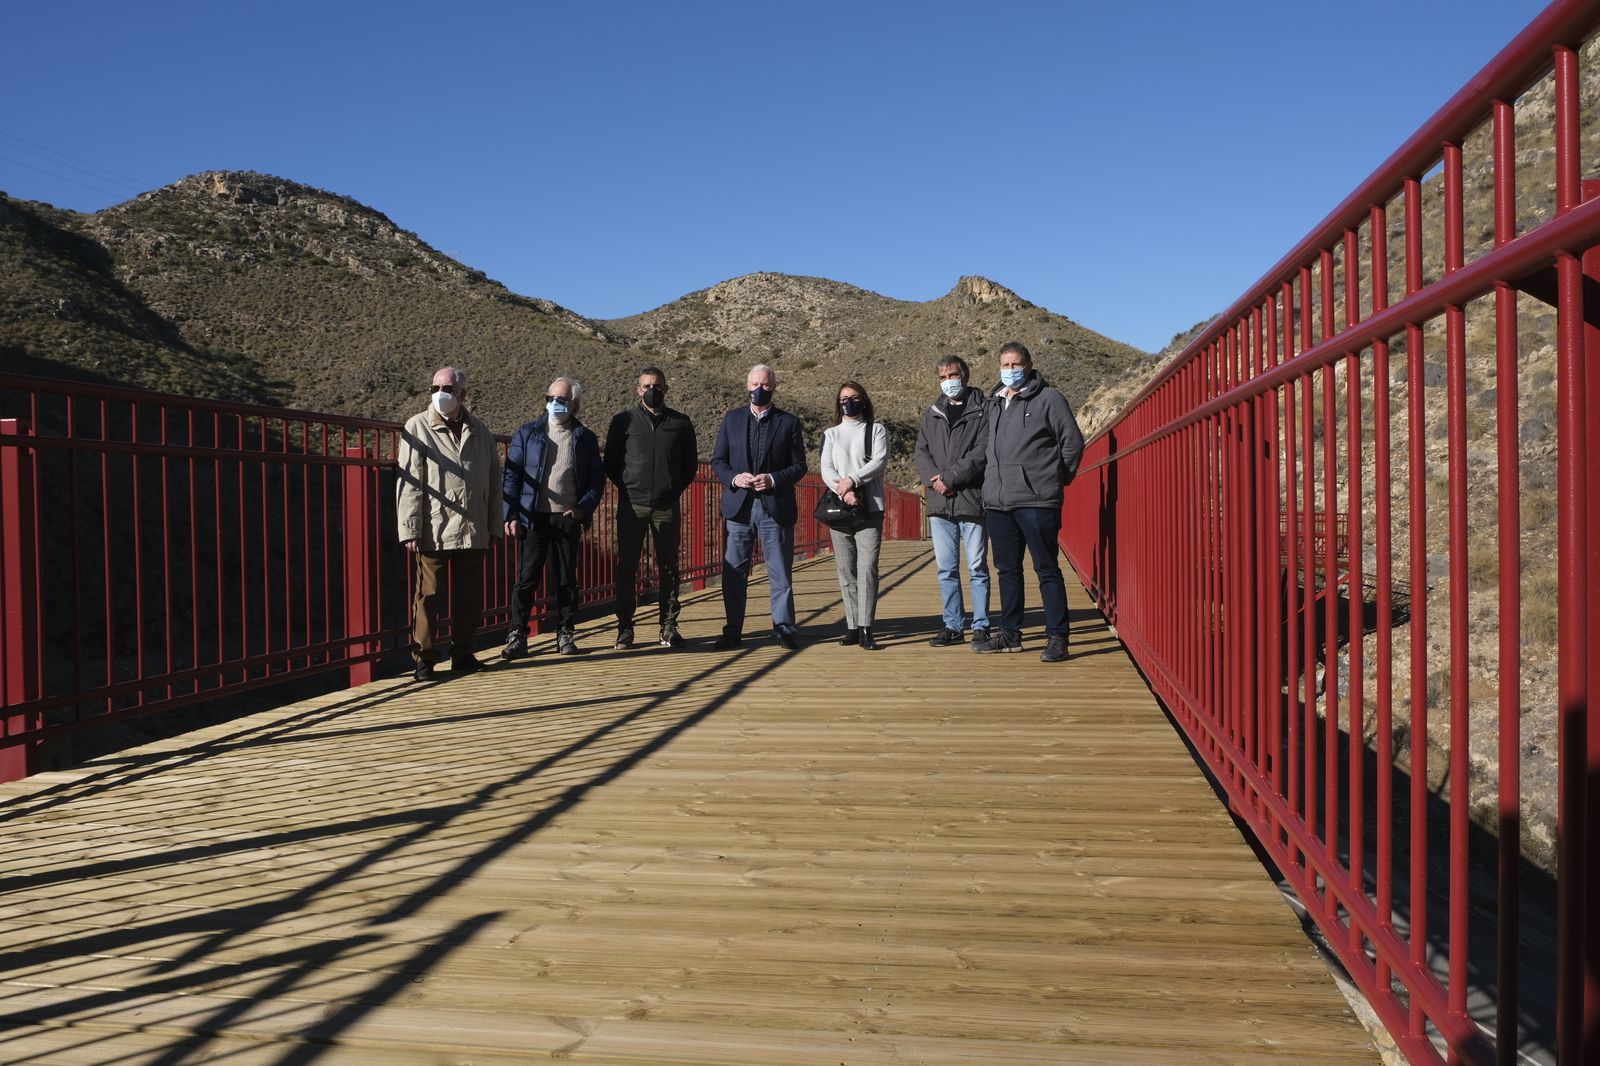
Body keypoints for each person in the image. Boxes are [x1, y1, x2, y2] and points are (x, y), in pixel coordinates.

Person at [975, 341, 1084, 662]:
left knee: (1047, 569)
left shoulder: (1049, 399)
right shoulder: (993, 403)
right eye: (1005, 365)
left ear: (1029, 365)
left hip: (1037, 501)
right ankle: (1009, 635)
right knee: (1007, 571)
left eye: (1016, 364)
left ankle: (1058, 638)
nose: (1010, 371)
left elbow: (1072, 443)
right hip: (998, 502)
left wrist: (1055, 478)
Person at [396, 366, 503, 682]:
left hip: (473, 528)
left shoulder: (481, 431)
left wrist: (494, 525)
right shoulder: (417, 427)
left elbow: (494, 481)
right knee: (429, 595)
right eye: (435, 388)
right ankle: (425, 659)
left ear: (463, 394)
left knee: (470, 596)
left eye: (448, 388)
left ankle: (464, 653)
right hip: (435, 528)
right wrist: (410, 527)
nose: (440, 393)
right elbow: (409, 481)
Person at [501, 376, 604, 659]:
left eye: (561, 399)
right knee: (526, 579)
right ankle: (517, 635)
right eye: (551, 398)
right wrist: (509, 513)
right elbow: (512, 474)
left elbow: (597, 479)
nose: (555, 404)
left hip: (567, 517)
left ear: (575, 404)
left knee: (566, 579)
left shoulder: (584, 438)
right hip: (533, 517)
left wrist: (582, 509)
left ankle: (565, 632)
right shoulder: (528, 433)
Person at [710, 364, 807, 649]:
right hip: (738, 508)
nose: (758, 389)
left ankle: (785, 629)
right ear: (746, 386)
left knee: (779, 571)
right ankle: (733, 630)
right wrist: (735, 478)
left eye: (764, 385)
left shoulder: (788, 422)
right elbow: (718, 461)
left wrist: (774, 479)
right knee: (734, 573)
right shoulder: (732, 420)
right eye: (754, 384)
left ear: (773, 386)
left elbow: (800, 465)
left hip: (774, 507)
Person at [604, 367, 699, 649]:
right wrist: (630, 488)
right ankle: (625, 629)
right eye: (646, 386)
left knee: (669, 568)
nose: (651, 391)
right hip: (632, 505)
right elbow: (611, 463)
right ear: (638, 390)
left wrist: (671, 489)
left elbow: (689, 466)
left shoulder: (681, 423)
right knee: (627, 568)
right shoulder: (623, 421)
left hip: (666, 506)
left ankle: (668, 627)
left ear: (666, 389)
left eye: (656, 386)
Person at [914, 355, 991, 647]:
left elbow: (982, 451)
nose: (949, 382)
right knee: (946, 569)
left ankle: (981, 624)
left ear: (966, 375)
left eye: (953, 375)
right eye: (943, 377)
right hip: (939, 504)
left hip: (970, 500)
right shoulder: (933, 413)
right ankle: (953, 625)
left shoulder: (983, 410)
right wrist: (935, 478)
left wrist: (951, 478)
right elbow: (921, 451)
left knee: (977, 568)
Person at [819, 381, 890, 650]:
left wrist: (851, 480)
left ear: (864, 400)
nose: (850, 402)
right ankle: (851, 625)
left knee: (867, 567)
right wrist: (843, 490)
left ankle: (866, 627)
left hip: (869, 507)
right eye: (844, 398)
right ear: (838, 403)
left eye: (855, 397)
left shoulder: (876, 430)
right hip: (840, 508)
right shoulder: (830, 434)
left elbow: (879, 462)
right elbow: (826, 469)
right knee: (846, 569)